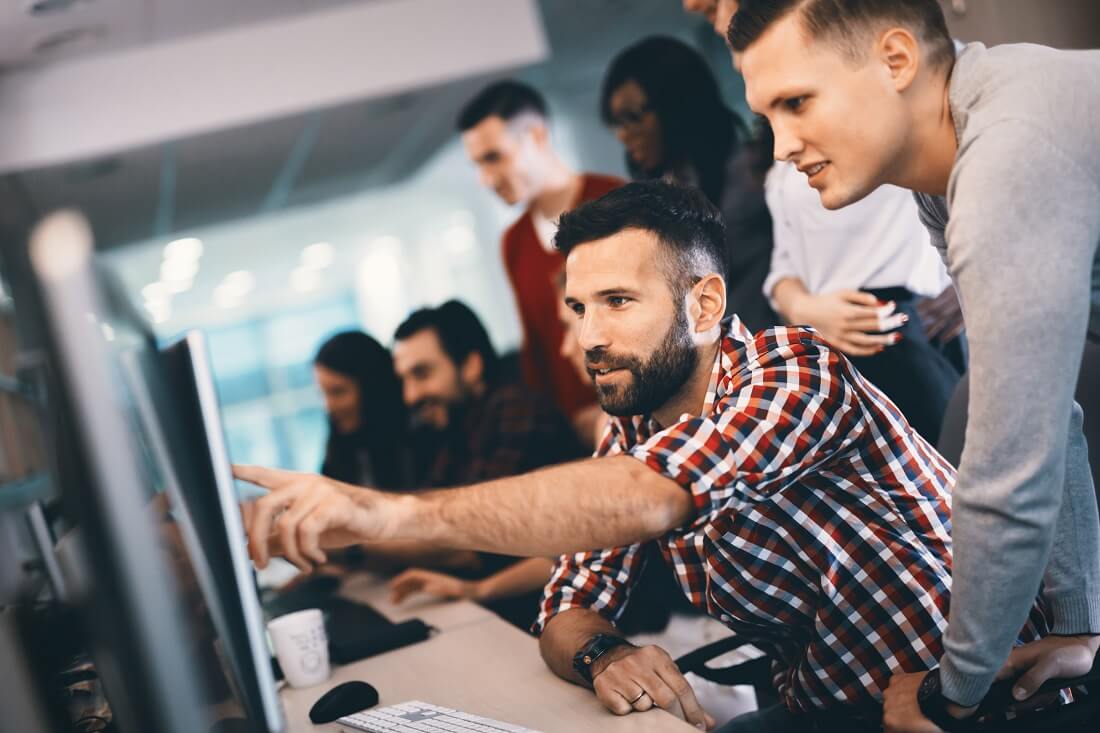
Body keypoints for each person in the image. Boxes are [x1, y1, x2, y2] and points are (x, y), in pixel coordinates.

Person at [234, 182, 1049, 731]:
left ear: (704, 302)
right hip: (834, 706)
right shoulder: (629, 431)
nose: (589, 336)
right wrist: (603, 651)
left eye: (619, 302)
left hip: (977, 699)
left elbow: (653, 496)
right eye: (578, 307)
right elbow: (566, 607)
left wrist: (386, 515)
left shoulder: (792, 371)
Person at [726, 2, 1100, 730]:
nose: (780, 145)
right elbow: (1050, 417)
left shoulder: (1006, 154)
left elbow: (1009, 470)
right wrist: (1078, 620)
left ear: (897, 60)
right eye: (768, 114)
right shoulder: (948, 172)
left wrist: (950, 692)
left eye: (796, 102)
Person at [387, 300, 586, 629]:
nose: (410, 396)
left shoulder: (517, 411)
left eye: (421, 373)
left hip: (555, 615)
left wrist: (350, 544)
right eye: (404, 380)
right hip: (515, 610)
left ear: (471, 366)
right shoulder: (455, 426)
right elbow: (429, 514)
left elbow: (472, 540)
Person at [458, 80, 622, 445]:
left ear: (536, 135)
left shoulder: (615, 201)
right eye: (477, 165)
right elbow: (537, 353)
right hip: (574, 437)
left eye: (493, 157)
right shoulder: (514, 242)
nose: (486, 180)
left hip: (639, 413)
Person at [764, 161, 961, 443]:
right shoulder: (785, 156)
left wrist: (977, 278)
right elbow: (784, 264)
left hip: (912, 333)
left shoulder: (889, 131)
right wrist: (802, 308)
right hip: (825, 346)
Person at [600, 36, 776, 331]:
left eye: (632, 117)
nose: (623, 134)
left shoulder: (752, 174)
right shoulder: (661, 188)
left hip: (766, 343)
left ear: (676, 108)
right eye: (617, 122)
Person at [314, 330, 411, 489]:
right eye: (323, 393)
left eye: (338, 392)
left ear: (372, 387)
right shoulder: (339, 447)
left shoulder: (417, 440)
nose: (328, 406)